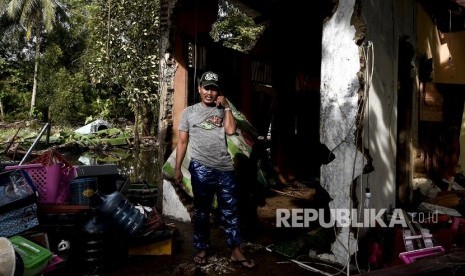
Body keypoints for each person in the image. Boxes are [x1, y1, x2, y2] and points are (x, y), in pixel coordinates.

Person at [174, 71, 255, 268]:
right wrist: (177, 169)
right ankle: (202, 248)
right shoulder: (189, 113)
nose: (210, 92)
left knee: (231, 210)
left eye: (214, 88)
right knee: (202, 212)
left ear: (219, 91)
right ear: (199, 89)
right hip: (201, 168)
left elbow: (230, 130)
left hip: (224, 168)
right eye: (206, 88)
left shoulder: (222, 109)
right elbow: (182, 142)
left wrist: (227, 107)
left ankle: (235, 251)